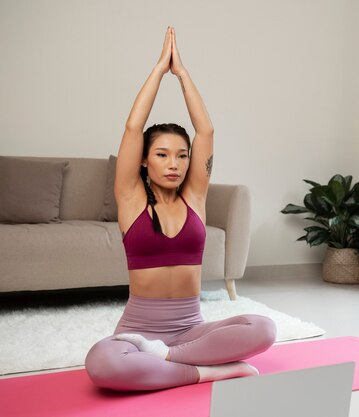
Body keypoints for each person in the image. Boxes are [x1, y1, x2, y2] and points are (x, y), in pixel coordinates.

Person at [85, 27, 276, 391]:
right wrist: (159, 71)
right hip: (140, 332)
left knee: (264, 329)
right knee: (102, 363)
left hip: (192, 329)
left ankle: (169, 360)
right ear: (144, 161)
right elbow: (132, 127)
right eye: (162, 154)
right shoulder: (131, 198)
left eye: (181, 155)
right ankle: (205, 372)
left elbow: (205, 132)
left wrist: (183, 74)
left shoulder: (195, 199)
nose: (173, 164)